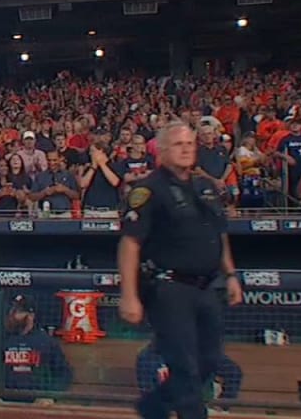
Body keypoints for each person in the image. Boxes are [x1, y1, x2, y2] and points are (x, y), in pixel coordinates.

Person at [117, 122, 243, 419]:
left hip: (207, 287)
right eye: (178, 144)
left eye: (190, 143)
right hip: (169, 289)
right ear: (161, 151)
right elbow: (130, 243)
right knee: (184, 366)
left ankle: (154, 406)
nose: (186, 149)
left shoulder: (206, 186)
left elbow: (219, 234)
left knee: (209, 362)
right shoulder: (149, 189)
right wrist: (129, 295)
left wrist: (232, 275)